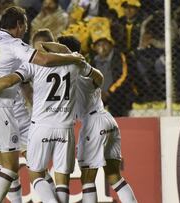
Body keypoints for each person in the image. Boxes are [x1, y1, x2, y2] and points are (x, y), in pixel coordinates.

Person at [0, 6, 84, 203]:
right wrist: (72, 57)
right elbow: (40, 60)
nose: (26, 29)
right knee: (14, 165)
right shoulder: (14, 44)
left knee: (1, 162)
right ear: (19, 25)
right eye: (25, 24)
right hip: (3, 108)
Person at [59, 36, 138, 203]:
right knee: (114, 176)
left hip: (92, 124)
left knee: (87, 179)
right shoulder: (85, 67)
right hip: (108, 120)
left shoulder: (69, 71)